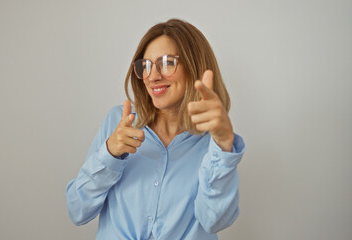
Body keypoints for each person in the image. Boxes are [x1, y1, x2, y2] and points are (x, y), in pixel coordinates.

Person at [66, 18, 245, 240]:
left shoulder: (213, 143)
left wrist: (223, 147)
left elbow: (214, 220)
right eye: (146, 65)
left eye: (168, 62)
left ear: (194, 66)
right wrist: (109, 154)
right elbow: (77, 211)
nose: (153, 76)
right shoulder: (118, 124)